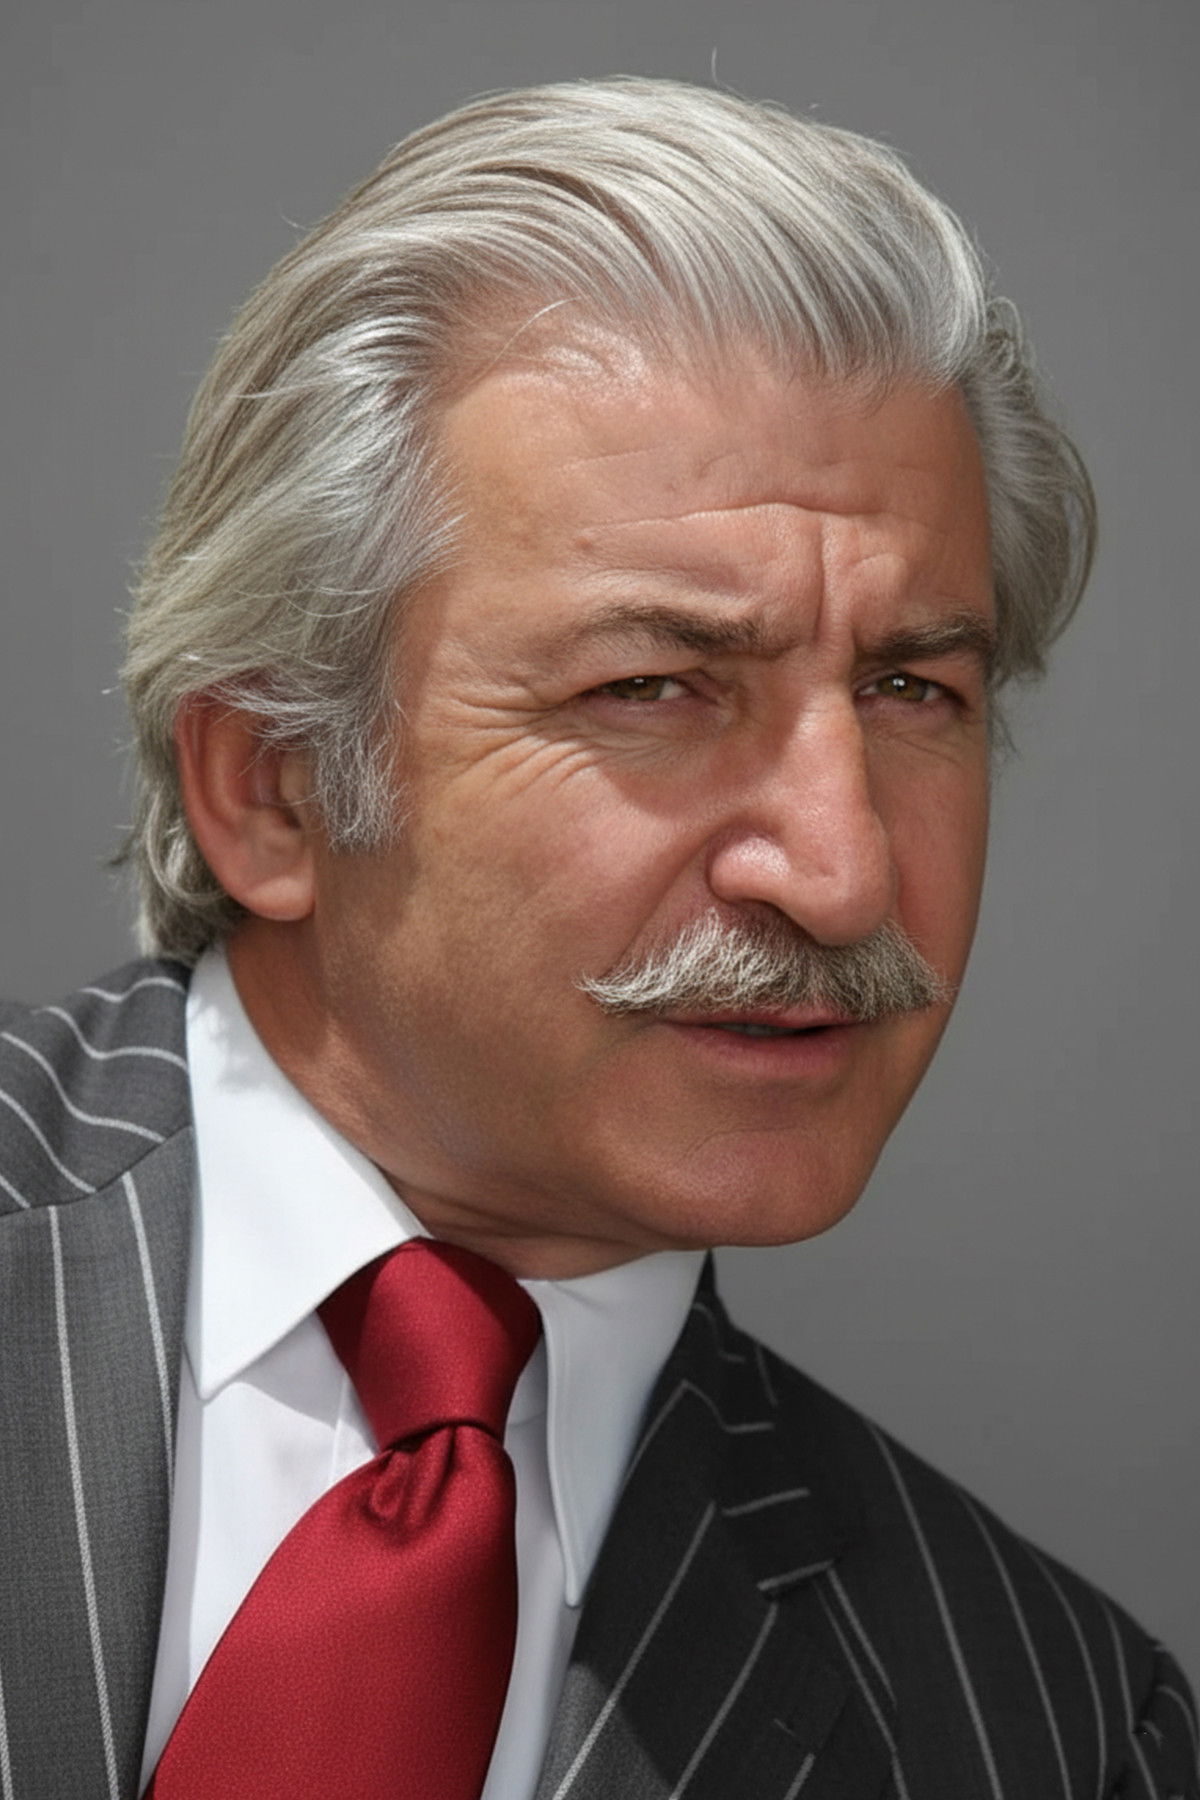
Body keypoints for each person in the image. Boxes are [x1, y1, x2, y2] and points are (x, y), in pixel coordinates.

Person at [0, 75, 1195, 1800]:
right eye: (653, 688)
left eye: (911, 689)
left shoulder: (1053, 1737)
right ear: (271, 785)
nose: (844, 872)